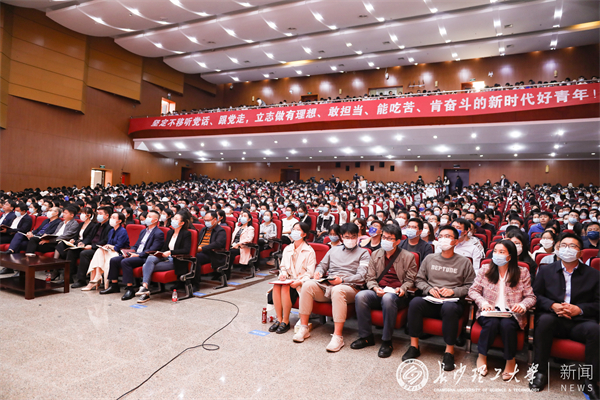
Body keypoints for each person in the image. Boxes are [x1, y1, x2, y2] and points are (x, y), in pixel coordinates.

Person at [530, 233, 599, 398]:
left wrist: (579, 309)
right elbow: (535, 295)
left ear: (580, 252)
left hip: (580, 321)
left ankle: (590, 381)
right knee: (544, 321)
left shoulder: (594, 275)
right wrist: (552, 305)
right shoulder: (545, 270)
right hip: (554, 318)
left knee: (596, 331)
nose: (567, 249)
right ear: (558, 249)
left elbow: (598, 303)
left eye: (572, 246)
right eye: (564, 245)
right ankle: (540, 372)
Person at [402, 225, 475, 371]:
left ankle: (449, 352)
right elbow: (419, 280)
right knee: (415, 302)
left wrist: (453, 291)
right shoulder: (430, 258)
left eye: (448, 237)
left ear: (455, 241)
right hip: (431, 299)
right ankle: (414, 346)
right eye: (441, 236)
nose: (443, 239)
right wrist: (429, 289)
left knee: (449, 308)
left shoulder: (464, 262)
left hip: (451, 302)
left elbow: (471, 286)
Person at [293, 223, 370, 352]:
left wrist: (342, 280)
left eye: (353, 236)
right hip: (330, 283)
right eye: (347, 237)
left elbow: (362, 276)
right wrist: (318, 272)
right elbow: (322, 265)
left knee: (338, 289)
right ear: (341, 237)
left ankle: (338, 336)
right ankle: (304, 327)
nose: (350, 239)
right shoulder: (333, 250)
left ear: (357, 236)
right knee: (307, 285)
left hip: (350, 287)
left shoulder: (364, 253)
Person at [468, 240, 536, 379]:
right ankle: (482, 356)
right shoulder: (485, 269)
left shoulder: (522, 272)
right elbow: (473, 290)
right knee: (491, 323)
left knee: (507, 325)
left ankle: (510, 360)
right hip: (489, 311)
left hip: (512, 314)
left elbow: (531, 297)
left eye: (501, 252)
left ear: (510, 256)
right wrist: (483, 302)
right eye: (495, 251)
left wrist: (522, 305)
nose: (497, 254)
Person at [351, 224, 417, 358]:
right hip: (379, 290)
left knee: (388, 298)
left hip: (397, 294)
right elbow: (370, 277)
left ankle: (387, 341)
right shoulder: (375, 254)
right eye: (384, 237)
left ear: (397, 241)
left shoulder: (408, 257)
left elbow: (411, 280)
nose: (385, 240)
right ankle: (366, 336)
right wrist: (375, 288)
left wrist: (402, 288)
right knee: (361, 296)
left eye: (390, 238)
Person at [101, 210, 165, 300]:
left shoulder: (159, 233)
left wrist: (138, 255)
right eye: (147, 216)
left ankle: (130, 289)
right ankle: (114, 285)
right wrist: (129, 252)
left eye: (149, 217)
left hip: (145, 257)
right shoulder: (143, 231)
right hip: (136, 253)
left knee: (125, 262)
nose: (147, 218)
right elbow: (136, 245)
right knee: (114, 260)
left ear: (155, 220)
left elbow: (153, 249)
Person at [268, 222, 316, 334]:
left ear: (304, 234)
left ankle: (285, 321)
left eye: (298, 230)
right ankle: (279, 319)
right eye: (294, 229)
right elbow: (283, 267)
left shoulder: (309, 251)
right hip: (288, 279)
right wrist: (283, 275)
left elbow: (310, 273)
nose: (294, 232)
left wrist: (299, 282)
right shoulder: (288, 248)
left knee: (285, 287)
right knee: (277, 285)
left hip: (301, 283)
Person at [136, 213, 192, 303]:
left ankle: (145, 290)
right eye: (173, 218)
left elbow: (186, 250)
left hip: (176, 260)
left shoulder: (186, 233)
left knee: (145, 266)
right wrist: (159, 253)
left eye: (176, 219)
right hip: (165, 257)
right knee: (150, 258)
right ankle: (145, 287)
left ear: (182, 223)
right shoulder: (170, 232)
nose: (173, 220)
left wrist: (171, 252)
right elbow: (165, 248)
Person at [81, 212, 129, 291]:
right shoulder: (111, 231)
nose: (111, 219)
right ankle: (97, 276)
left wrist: (110, 246)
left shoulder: (123, 231)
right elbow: (109, 243)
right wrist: (107, 246)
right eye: (111, 217)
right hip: (110, 251)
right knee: (99, 250)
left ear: (119, 221)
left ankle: (99, 280)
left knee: (106, 258)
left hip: (119, 252)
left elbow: (118, 247)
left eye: (113, 218)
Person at [54, 207, 98, 283]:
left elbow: (90, 237)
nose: (81, 215)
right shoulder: (81, 224)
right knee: (61, 244)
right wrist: (73, 240)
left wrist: (83, 243)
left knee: (70, 252)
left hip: (85, 244)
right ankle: (63, 273)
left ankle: (69, 276)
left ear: (89, 215)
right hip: (77, 243)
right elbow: (76, 235)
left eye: (84, 213)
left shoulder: (93, 225)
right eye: (81, 213)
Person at [72, 207, 113, 288]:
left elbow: (105, 240)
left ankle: (81, 280)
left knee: (84, 253)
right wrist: (83, 243)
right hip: (90, 245)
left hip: (100, 249)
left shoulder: (110, 227)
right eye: (98, 213)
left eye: (100, 214)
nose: (98, 215)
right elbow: (89, 237)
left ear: (107, 215)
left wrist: (92, 246)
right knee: (72, 251)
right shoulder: (97, 225)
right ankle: (69, 277)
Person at [194, 211, 227, 285]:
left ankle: (195, 283)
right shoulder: (204, 229)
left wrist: (202, 248)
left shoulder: (220, 231)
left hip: (212, 254)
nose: (206, 222)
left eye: (208, 220)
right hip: (200, 251)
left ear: (215, 219)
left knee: (195, 257)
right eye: (205, 220)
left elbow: (217, 244)